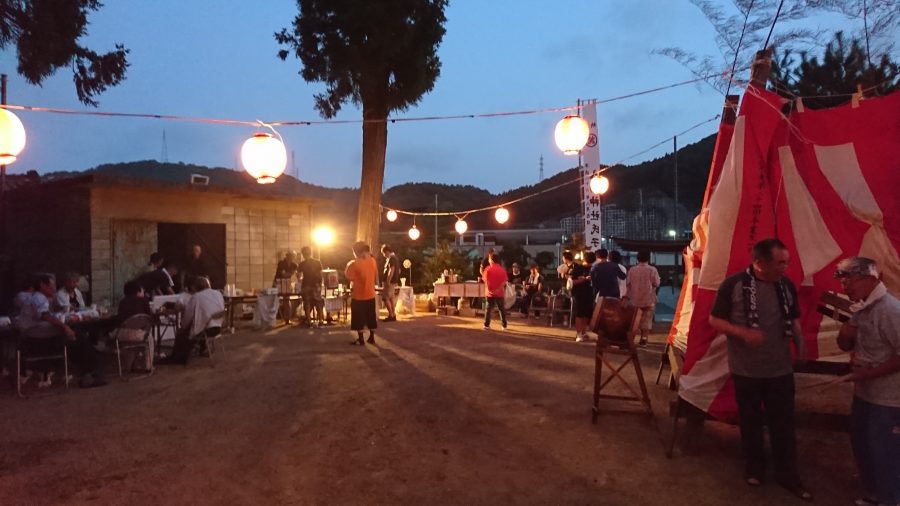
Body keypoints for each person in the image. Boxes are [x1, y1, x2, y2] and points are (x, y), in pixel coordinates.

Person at [708, 238, 811, 501]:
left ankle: (788, 474)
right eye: (780, 263)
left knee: (784, 424)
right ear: (759, 262)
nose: (785, 267)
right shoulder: (734, 284)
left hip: (780, 367)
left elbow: (794, 317)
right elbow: (715, 319)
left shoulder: (785, 285)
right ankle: (755, 467)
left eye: (786, 262)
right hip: (746, 369)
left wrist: (800, 342)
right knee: (751, 422)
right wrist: (742, 332)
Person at [833, 257, 900, 506]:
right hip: (865, 392)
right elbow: (845, 344)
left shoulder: (891, 310)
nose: (844, 287)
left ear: (870, 279)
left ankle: (890, 500)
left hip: (890, 398)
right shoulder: (862, 308)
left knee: (885, 451)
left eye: (849, 281)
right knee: (862, 444)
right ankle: (874, 495)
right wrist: (848, 330)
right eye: (842, 281)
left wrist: (866, 374)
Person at [16, 273, 105, 388]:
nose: (54, 288)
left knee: (78, 338)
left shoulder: (41, 298)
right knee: (78, 340)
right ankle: (87, 374)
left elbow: (47, 314)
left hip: (38, 337)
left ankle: (87, 372)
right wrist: (65, 327)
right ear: (42, 285)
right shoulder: (38, 297)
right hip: (36, 340)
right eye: (52, 285)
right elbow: (45, 315)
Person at [167, 276, 224, 364]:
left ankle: (178, 359)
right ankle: (201, 349)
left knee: (182, 333)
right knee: (197, 325)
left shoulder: (197, 297)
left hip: (206, 329)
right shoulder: (218, 293)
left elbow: (188, 316)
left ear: (195, 287)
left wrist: (183, 326)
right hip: (218, 326)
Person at [114, 280, 154, 372]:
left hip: (122, 334)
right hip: (137, 334)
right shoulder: (144, 301)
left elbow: (120, 318)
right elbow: (148, 319)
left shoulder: (123, 302)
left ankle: (128, 366)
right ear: (138, 291)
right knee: (149, 338)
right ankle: (148, 366)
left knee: (130, 343)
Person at [345, 241, 378, 345]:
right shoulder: (373, 261)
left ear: (356, 252)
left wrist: (349, 265)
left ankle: (361, 339)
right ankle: (372, 337)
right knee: (371, 316)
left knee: (358, 318)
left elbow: (349, 276)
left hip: (359, 295)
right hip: (371, 293)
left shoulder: (354, 264)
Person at [625, 250, 660, 346]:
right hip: (648, 298)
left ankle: (631, 339)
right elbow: (657, 283)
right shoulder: (652, 270)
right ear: (648, 259)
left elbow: (628, 284)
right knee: (647, 319)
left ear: (637, 259)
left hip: (635, 299)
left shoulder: (632, 270)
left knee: (635, 319)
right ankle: (644, 338)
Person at [297, 246, 325, 327]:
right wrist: (319, 284)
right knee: (318, 302)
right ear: (311, 252)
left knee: (307, 302)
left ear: (303, 254)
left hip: (306, 285)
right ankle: (320, 320)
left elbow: (298, 275)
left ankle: (309, 321)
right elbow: (321, 274)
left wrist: (300, 278)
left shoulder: (302, 264)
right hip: (316, 285)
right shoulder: (317, 262)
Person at [571, 251, 595, 342]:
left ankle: (584, 332)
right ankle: (579, 334)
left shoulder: (594, 269)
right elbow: (572, 282)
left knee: (586, 314)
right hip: (579, 294)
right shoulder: (578, 268)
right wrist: (584, 279)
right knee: (579, 313)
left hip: (590, 293)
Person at [482, 253, 509, 330]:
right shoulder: (502, 270)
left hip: (489, 293)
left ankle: (486, 325)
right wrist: (498, 289)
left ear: (492, 260)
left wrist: (491, 289)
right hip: (500, 293)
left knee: (488, 309)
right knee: (501, 309)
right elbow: (504, 281)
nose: (488, 260)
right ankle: (504, 325)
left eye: (489, 259)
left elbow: (486, 280)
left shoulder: (488, 269)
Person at [380, 244, 400, 322]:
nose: (384, 255)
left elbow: (392, 270)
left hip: (389, 281)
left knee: (386, 298)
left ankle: (391, 315)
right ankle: (393, 314)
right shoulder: (395, 258)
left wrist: (388, 280)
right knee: (391, 298)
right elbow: (398, 270)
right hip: (393, 281)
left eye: (384, 253)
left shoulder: (391, 259)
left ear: (387, 252)